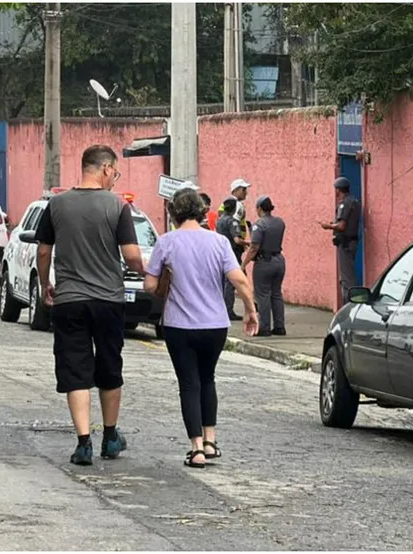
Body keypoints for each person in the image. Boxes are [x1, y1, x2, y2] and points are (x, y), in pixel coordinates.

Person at [35, 144, 145, 466]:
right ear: (107, 168)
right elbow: (132, 256)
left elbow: (43, 252)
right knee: (110, 367)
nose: (115, 178)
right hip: (109, 300)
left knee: (76, 369)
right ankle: (110, 437)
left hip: (69, 300)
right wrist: (154, 274)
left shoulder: (56, 204)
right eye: (116, 172)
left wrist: (45, 285)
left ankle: (83, 442)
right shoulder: (117, 206)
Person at [144, 188, 258, 469]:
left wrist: (165, 281)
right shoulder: (219, 243)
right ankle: (210, 440)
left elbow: (150, 286)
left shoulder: (166, 243)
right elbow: (239, 280)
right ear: (200, 211)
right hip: (215, 325)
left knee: (189, 383)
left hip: (179, 325)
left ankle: (195, 448)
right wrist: (251, 311)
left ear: (173, 214)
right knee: (208, 379)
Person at [241, 195, 286, 337]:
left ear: (259, 208)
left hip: (264, 262)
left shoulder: (259, 225)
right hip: (279, 259)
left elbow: (254, 247)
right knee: (277, 294)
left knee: (263, 295)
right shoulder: (280, 222)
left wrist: (243, 264)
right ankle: (280, 326)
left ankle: (265, 327)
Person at [319, 177, 361, 305]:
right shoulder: (354, 201)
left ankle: (349, 306)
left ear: (338, 190)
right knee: (348, 275)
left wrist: (328, 226)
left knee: (347, 279)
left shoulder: (345, 203)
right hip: (351, 242)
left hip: (346, 243)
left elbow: (342, 226)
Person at [215, 198, 248, 321]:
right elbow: (237, 240)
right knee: (231, 283)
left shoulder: (219, 221)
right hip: (232, 253)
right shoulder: (232, 221)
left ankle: (223, 309)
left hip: (221, 253)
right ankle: (228, 310)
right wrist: (247, 243)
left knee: (223, 281)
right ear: (234, 209)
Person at [217, 178, 251, 245]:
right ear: (235, 190)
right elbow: (221, 213)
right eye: (243, 189)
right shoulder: (230, 203)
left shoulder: (239, 204)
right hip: (234, 242)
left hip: (237, 241)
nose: (246, 192)